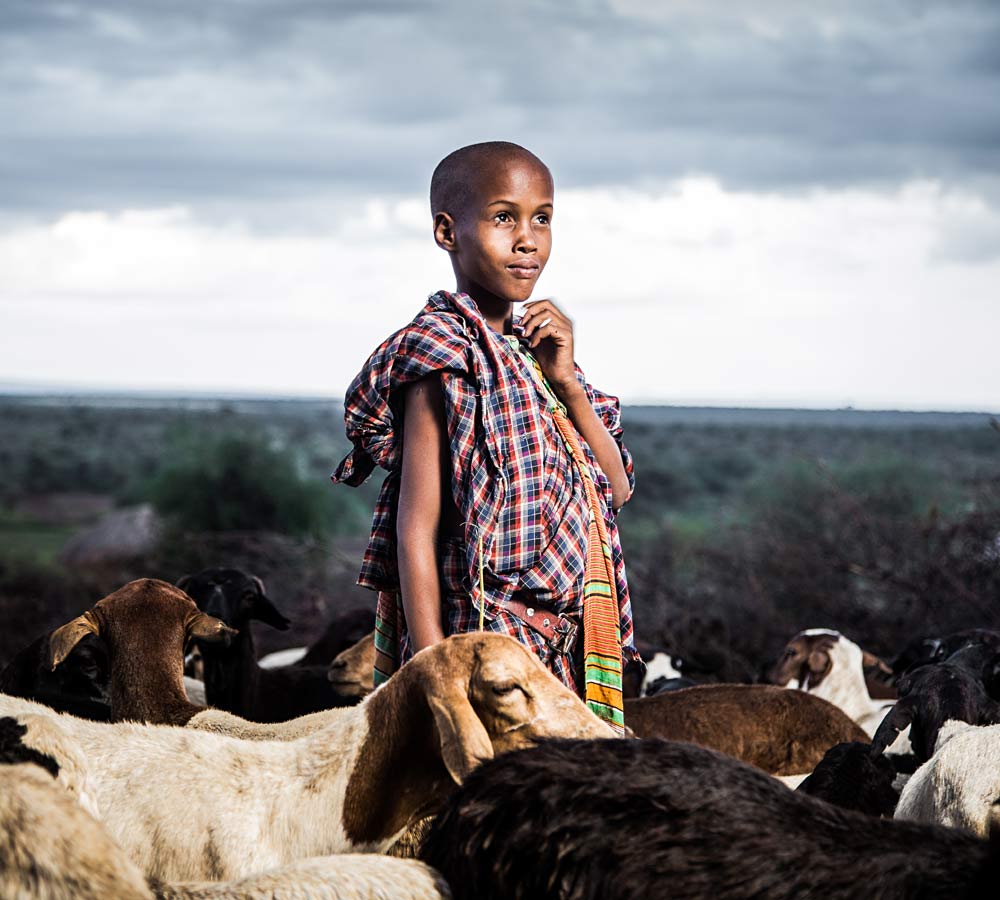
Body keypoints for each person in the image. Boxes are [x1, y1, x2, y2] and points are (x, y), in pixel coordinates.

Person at [332, 141, 639, 731]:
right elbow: (415, 530)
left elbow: (617, 491)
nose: (528, 239)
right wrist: (436, 674)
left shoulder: (536, 361)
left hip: (563, 651)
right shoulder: (443, 356)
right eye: (504, 217)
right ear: (448, 232)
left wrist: (567, 382)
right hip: (487, 654)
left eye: (542, 218)